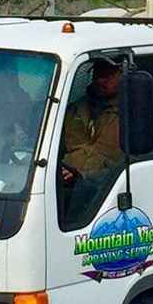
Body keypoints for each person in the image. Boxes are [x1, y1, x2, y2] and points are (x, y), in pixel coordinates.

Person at [58, 58, 124, 204]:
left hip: (110, 194)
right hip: (66, 189)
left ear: (124, 75)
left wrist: (81, 174)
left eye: (107, 75)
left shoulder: (136, 113)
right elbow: (55, 148)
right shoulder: (75, 109)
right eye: (97, 74)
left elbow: (141, 163)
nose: (100, 80)